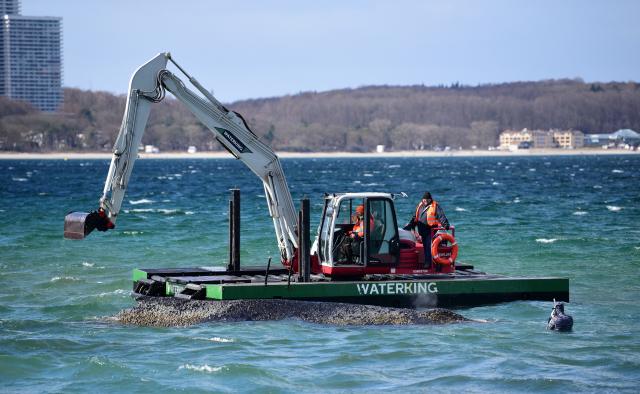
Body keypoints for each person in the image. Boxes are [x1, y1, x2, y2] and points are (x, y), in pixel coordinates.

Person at [404, 191, 449, 268]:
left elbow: (441, 216)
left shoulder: (435, 206)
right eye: (423, 200)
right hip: (422, 231)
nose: (424, 201)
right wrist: (411, 225)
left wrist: (446, 224)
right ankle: (428, 262)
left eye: (426, 200)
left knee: (429, 247)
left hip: (430, 231)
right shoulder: (420, 206)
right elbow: (415, 217)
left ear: (429, 199)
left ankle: (429, 264)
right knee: (425, 248)